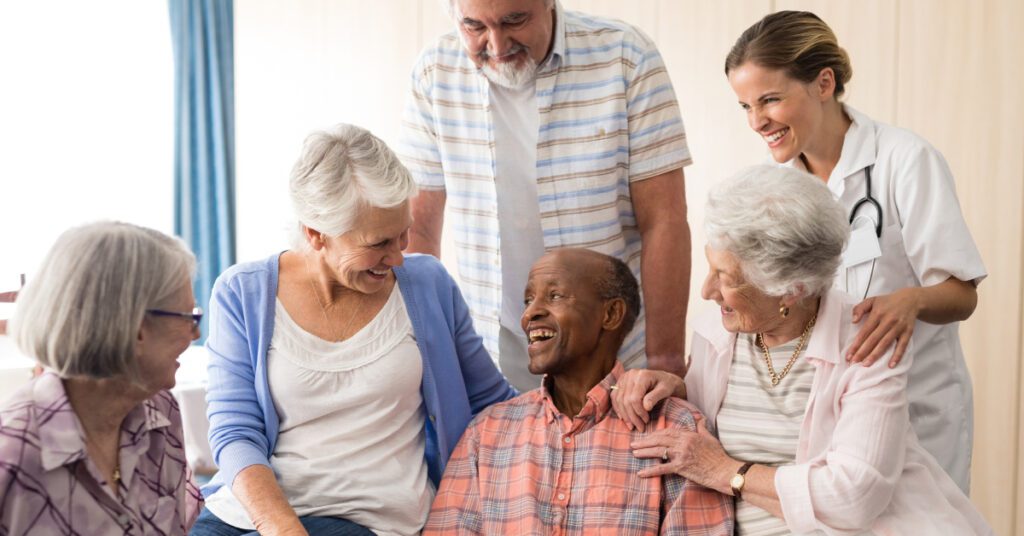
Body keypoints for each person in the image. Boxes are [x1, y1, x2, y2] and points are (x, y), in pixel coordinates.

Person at [614, 166, 992, 534]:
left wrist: (725, 471)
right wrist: (669, 387)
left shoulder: (866, 340)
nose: (707, 291)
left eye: (725, 278)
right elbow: (708, 412)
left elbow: (855, 496)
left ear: (790, 290)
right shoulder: (718, 329)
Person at [190, 124, 517, 536]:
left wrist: (606, 400)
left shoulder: (428, 284)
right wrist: (281, 526)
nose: (397, 258)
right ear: (315, 233)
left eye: (404, 235)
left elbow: (494, 401)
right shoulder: (242, 292)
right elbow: (235, 432)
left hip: (367, 521)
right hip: (251, 517)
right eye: (379, 243)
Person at [723, 10, 985, 492]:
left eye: (770, 99)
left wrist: (913, 299)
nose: (757, 121)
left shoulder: (905, 160)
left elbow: (962, 293)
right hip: (825, 411)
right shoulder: (772, 184)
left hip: (915, 405)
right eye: (744, 106)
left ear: (823, 83)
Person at [399, 0, 692, 391]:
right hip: (490, 350)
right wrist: (424, 358)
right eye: (474, 26)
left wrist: (666, 364)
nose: (497, 45)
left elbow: (664, 221)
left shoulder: (626, 56)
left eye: (514, 20)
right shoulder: (435, 71)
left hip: (613, 350)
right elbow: (418, 236)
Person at [424, 248, 733, 535]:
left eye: (554, 295)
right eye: (528, 300)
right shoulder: (487, 433)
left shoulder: (675, 428)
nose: (530, 313)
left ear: (610, 314)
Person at [1, 221, 203, 535]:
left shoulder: (162, 414)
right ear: (135, 327)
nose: (196, 333)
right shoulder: (11, 456)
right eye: (189, 318)